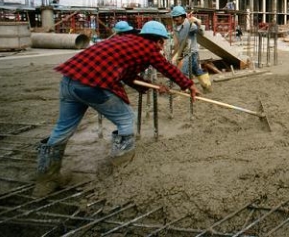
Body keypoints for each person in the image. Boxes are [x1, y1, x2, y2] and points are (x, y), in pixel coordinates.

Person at [34, 21, 199, 197]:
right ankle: (121, 169)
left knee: (62, 129)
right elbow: (166, 68)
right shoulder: (148, 48)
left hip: (69, 81)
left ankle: (46, 180)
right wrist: (188, 85)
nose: (162, 46)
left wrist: (150, 86)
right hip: (93, 85)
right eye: (162, 42)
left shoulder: (126, 42)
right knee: (127, 119)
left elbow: (127, 74)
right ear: (158, 41)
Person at [170, 6, 212, 93]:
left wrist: (197, 22)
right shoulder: (175, 27)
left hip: (191, 52)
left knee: (183, 71)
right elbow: (177, 44)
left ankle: (186, 90)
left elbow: (201, 33)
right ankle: (207, 86)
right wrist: (173, 55)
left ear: (182, 16)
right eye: (174, 17)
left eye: (177, 17)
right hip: (185, 51)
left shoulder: (189, 25)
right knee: (196, 70)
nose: (175, 19)